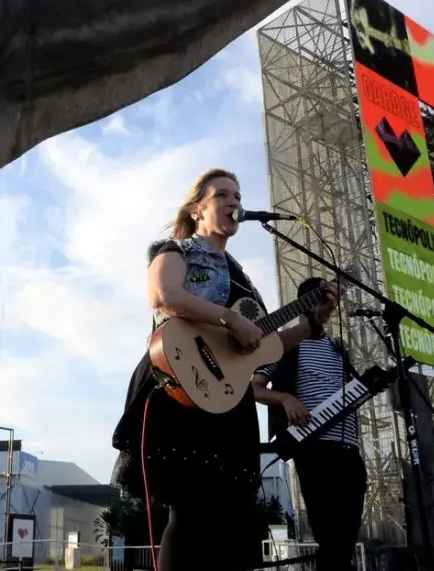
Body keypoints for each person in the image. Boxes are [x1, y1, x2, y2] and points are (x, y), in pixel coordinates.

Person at [111, 168, 320, 571]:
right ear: (197, 209)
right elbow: (162, 295)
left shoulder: (243, 278)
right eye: (223, 194)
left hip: (230, 398)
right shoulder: (176, 249)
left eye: (238, 196)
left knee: (235, 517)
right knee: (188, 513)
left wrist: (311, 324)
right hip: (182, 384)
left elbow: (265, 345)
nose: (235, 203)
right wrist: (229, 318)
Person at [252, 276, 364, 571]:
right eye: (323, 302)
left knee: (346, 540)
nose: (329, 310)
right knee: (331, 538)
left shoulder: (338, 349)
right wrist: (286, 398)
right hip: (315, 450)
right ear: (307, 304)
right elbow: (255, 388)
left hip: (350, 450)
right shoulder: (285, 346)